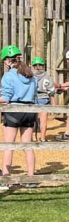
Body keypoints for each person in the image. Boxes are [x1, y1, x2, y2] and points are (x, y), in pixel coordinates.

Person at [0, 46, 38, 188]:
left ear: (8, 61)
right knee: (27, 146)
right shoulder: (30, 75)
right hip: (29, 110)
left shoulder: (9, 75)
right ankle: (30, 179)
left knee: (9, 146)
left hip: (14, 110)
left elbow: (6, 98)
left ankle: (5, 180)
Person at [31, 57, 56, 142]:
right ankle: (42, 138)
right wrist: (53, 102)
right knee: (43, 120)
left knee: (32, 119)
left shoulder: (30, 75)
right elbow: (51, 90)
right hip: (44, 98)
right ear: (43, 66)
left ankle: (32, 137)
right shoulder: (47, 76)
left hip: (32, 99)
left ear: (33, 66)